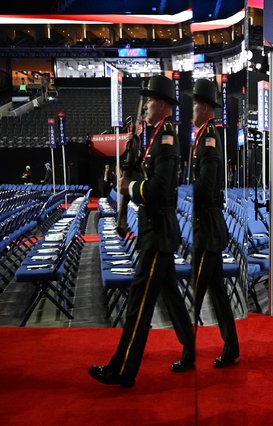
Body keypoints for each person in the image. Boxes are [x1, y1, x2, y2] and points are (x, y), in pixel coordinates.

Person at [89, 75, 194, 387]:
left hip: (158, 233)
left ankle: (123, 369)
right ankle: (190, 350)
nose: (145, 106)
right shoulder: (156, 136)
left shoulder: (166, 138)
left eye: (149, 101)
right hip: (157, 230)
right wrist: (132, 166)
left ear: (162, 105)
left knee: (138, 303)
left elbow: (160, 189)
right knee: (171, 298)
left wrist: (130, 186)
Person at [187, 78, 240, 369]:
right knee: (217, 293)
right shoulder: (205, 135)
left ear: (206, 107)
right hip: (208, 225)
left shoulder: (208, 137)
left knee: (196, 294)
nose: (190, 109)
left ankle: (187, 353)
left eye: (195, 104)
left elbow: (206, 186)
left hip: (206, 227)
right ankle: (231, 348)